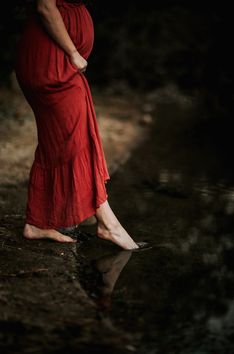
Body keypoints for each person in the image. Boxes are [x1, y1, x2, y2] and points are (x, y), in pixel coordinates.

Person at [14, 0, 145, 250]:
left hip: (57, 59)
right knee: (75, 140)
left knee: (60, 141)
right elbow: (45, 6)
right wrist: (73, 52)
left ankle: (37, 223)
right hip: (51, 62)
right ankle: (107, 223)